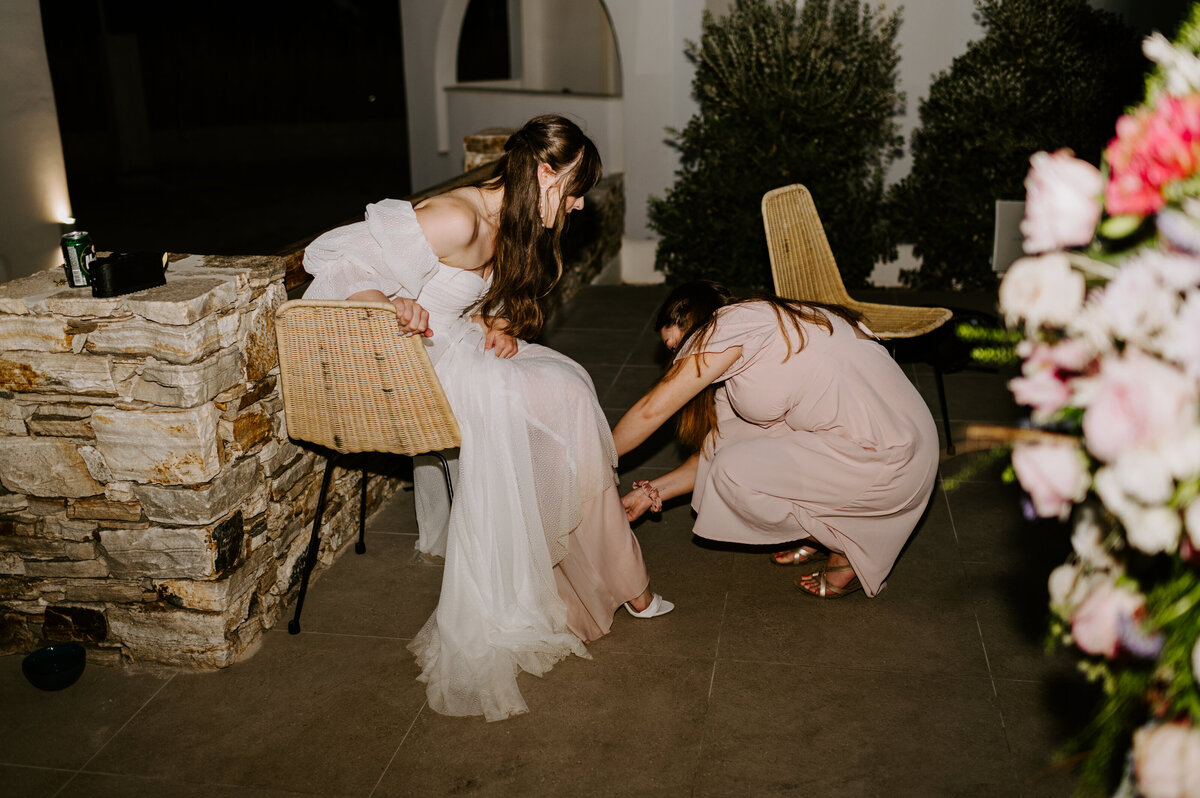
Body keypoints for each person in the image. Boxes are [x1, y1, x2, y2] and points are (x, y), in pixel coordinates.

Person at [301, 114, 672, 722]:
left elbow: (463, 296)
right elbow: (334, 260)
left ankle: (601, 567)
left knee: (569, 389)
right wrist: (385, 301)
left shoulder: (510, 219)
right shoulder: (457, 216)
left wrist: (492, 324)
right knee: (562, 403)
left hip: (458, 349)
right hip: (417, 371)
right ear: (546, 172)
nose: (577, 206)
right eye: (575, 189)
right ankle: (621, 580)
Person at [613, 281, 938, 598]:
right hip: (900, 440)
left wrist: (596, 457)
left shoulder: (729, 326)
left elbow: (650, 411)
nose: (677, 359)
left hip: (890, 456)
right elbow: (717, 446)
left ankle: (844, 548)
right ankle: (827, 530)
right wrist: (651, 492)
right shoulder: (761, 331)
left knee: (734, 471)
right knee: (728, 455)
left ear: (693, 320)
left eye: (675, 345)